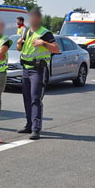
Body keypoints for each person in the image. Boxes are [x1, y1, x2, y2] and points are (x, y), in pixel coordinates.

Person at [16, 8, 59, 140]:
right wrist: (19, 44)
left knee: (35, 99)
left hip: (37, 69)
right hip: (25, 68)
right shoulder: (27, 31)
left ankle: (36, 129)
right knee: (27, 98)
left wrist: (43, 43)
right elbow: (20, 49)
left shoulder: (45, 33)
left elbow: (56, 49)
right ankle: (29, 124)